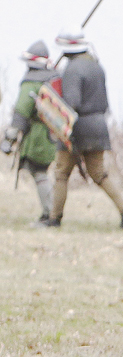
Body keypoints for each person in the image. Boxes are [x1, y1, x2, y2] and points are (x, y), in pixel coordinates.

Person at [42, 27, 123, 229]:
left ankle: (54, 219)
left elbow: (71, 103)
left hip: (77, 127)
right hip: (98, 125)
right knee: (100, 174)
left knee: (61, 173)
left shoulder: (72, 69)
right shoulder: (96, 66)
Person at [1, 40, 59, 224]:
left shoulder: (30, 83)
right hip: (51, 133)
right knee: (40, 171)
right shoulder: (53, 78)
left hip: (37, 137)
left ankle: (49, 213)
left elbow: (21, 112)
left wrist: (9, 138)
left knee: (39, 171)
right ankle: (50, 212)